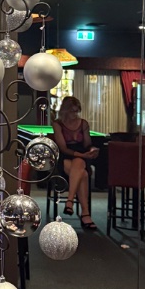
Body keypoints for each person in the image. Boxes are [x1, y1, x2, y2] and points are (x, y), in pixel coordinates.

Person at [51, 96, 98, 230]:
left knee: (80, 165)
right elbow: (63, 148)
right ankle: (85, 214)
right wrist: (82, 155)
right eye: (72, 111)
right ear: (65, 111)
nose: (75, 114)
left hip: (81, 157)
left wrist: (92, 149)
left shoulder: (83, 123)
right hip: (65, 157)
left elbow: (87, 145)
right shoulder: (57, 124)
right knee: (83, 174)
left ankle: (69, 201)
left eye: (77, 111)